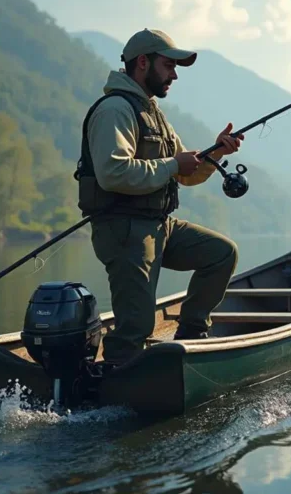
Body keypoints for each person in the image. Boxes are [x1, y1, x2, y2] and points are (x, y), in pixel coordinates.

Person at [75, 28, 245, 366]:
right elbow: (113, 173)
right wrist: (172, 164)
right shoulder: (115, 110)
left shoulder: (152, 112)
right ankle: (118, 384)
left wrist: (216, 155)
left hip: (158, 225)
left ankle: (189, 340)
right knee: (137, 325)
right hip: (124, 230)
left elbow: (184, 172)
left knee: (221, 254)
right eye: (169, 65)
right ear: (142, 62)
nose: (174, 75)